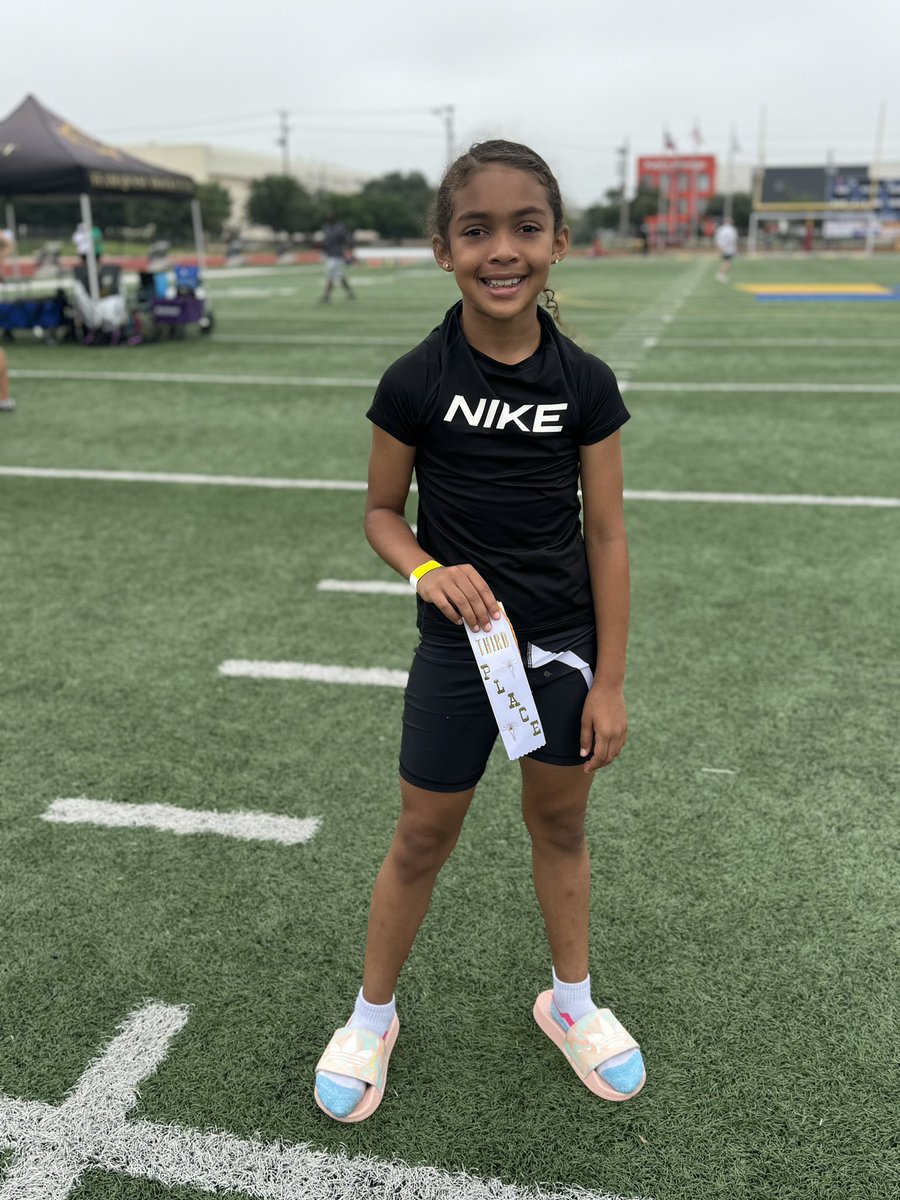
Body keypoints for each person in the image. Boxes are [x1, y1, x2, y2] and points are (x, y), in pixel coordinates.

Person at [313, 140, 645, 1123]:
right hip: (461, 655)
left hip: (561, 654)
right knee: (423, 834)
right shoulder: (416, 377)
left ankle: (572, 1004)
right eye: (478, 230)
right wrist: (427, 568)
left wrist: (613, 681)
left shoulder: (584, 383)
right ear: (443, 249)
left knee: (561, 823)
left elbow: (611, 534)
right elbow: (380, 511)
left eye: (525, 227)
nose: (504, 250)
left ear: (558, 244)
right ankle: (373, 1016)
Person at [318, 214, 355, 303]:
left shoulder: (339, 228)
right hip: (331, 255)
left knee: (330, 276)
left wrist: (348, 252)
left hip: (337, 256)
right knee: (340, 276)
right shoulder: (326, 227)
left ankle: (327, 297)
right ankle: (350, 293)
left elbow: (346, 240)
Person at [714, 216, 738, 281]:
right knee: (727, 262)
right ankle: (721, 274)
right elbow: (732, 239)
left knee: (725, 261)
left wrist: (719, 246)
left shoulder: (720, 229)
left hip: (722, 247)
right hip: (728, 248)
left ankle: (721, 274)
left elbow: (717, 238)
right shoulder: (731, 229)